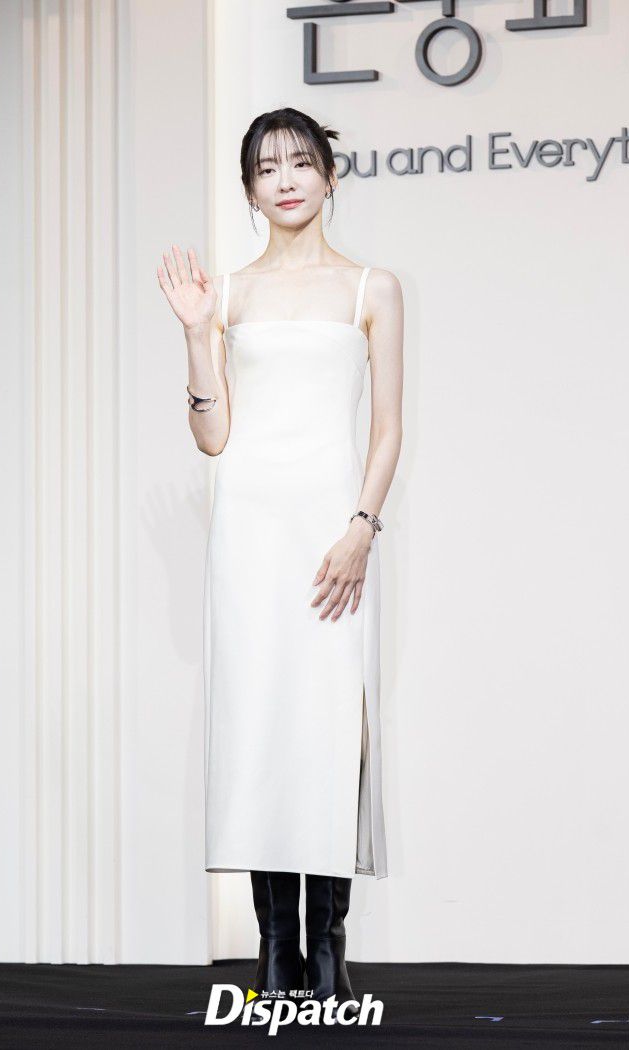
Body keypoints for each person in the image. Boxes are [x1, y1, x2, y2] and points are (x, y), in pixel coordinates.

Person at [158, 107, 404, 1018]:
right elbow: (213, 437)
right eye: (267, 169)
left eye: (301, 162)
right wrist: (196, 333)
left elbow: (388, 428)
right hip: (251, 534)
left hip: (333, 532)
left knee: (328, 725)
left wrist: (361, 528)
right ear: (250, 190)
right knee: (261, 722)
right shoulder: (226, 293)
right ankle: (275, 949)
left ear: (330, 175)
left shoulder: (372, 287)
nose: (286, 180)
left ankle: (329, 946)